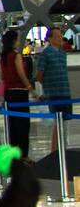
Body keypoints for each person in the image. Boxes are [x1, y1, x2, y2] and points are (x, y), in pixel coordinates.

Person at [34, 26, 73, 154]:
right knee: (58, 123)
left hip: (65, 92)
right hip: (54, 94)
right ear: (50, 39)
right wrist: (46, 89)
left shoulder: (62, 53)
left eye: (61, 35)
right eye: (57, 36)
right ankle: (55, 151)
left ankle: (63, 150)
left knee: (65, 123)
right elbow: (39, 75)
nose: (60, 38)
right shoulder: (45, 54)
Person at [0, 28, 31, 161]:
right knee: (23, 124)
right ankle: (23, 155)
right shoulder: (16, 55)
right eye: (17, 39)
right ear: (13, 41)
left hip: (8, 93)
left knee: (12, 124)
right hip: (20, 92)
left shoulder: (3, 57)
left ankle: (13, 154)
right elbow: (21, 73)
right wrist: (29, 86)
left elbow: (2, 75)